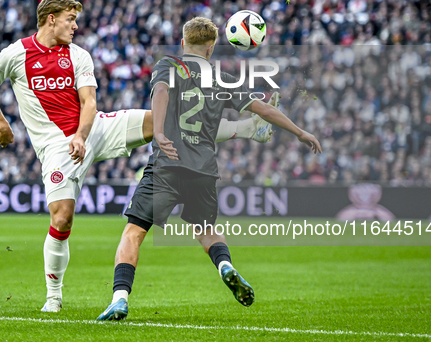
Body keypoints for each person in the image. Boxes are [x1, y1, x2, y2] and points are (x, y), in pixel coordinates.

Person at [0, 0, 276, 313]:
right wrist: (2, 125)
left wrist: (82, 134)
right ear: (51, 19)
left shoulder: (78, 55)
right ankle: (54, 295)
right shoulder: (17, 54)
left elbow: (89, 103)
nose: (75, 26)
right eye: (70, 19)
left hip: (92, 129)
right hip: (56, 145)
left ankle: (247, 128)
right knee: (62, 219)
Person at [97, 17, 322, 321]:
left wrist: (160, 131)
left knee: (134, 231)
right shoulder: (223, 78)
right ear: (211, 48)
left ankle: (120, 298)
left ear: (182, 44)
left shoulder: (168, 66)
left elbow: (160, 93)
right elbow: (265, 109)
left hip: (168, 163)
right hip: (203, 168)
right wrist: (300, 133)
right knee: (206, 231)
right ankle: (225, 266)